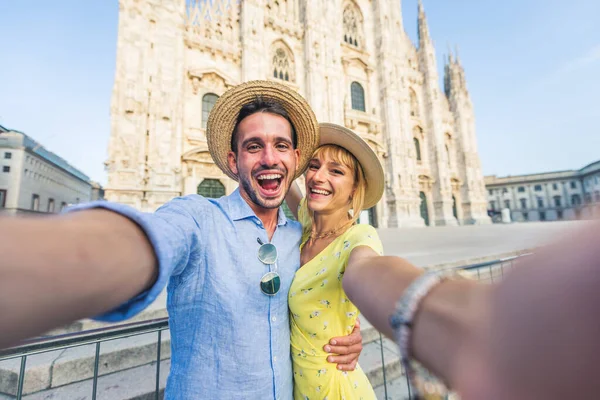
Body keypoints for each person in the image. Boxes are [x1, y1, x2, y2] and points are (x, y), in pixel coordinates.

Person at [0, 81, 364, 400]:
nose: (270, 157)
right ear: (233, 161)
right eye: (254, 146)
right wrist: (71, 262)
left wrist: (344, 331)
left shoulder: (297, 237)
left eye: (280, 145)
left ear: (295, 158)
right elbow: (151, 239)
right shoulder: (198, 218)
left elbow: (327, 289)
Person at [284, 123, 385, 399]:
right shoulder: (308, 222)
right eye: (313, 166)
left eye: (336, 171)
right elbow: (288, 187)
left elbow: (367, 271)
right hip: (300, 388)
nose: (318, 177)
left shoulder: (359, 237)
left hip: (336, 390)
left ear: (355, 189)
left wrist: (417, 299)